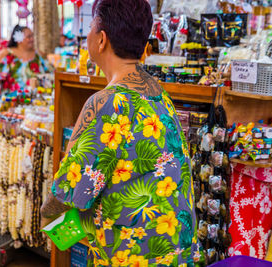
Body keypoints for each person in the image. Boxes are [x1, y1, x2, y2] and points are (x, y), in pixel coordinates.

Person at [41, 0, 198, 265]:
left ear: (101, 40)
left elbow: (67, 191)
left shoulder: (106, 103)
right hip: (177, 252)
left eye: (91, 26)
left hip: (132, 256)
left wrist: (45, 218)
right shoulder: (159, 93)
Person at [0, 25, 51, 94]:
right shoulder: (6, 54)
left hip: (37, 99)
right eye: (29, 37)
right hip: (12, 99)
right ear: (18, 39)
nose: (32, 39)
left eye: (32, 36)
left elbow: (49, 73)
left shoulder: (39, 54)